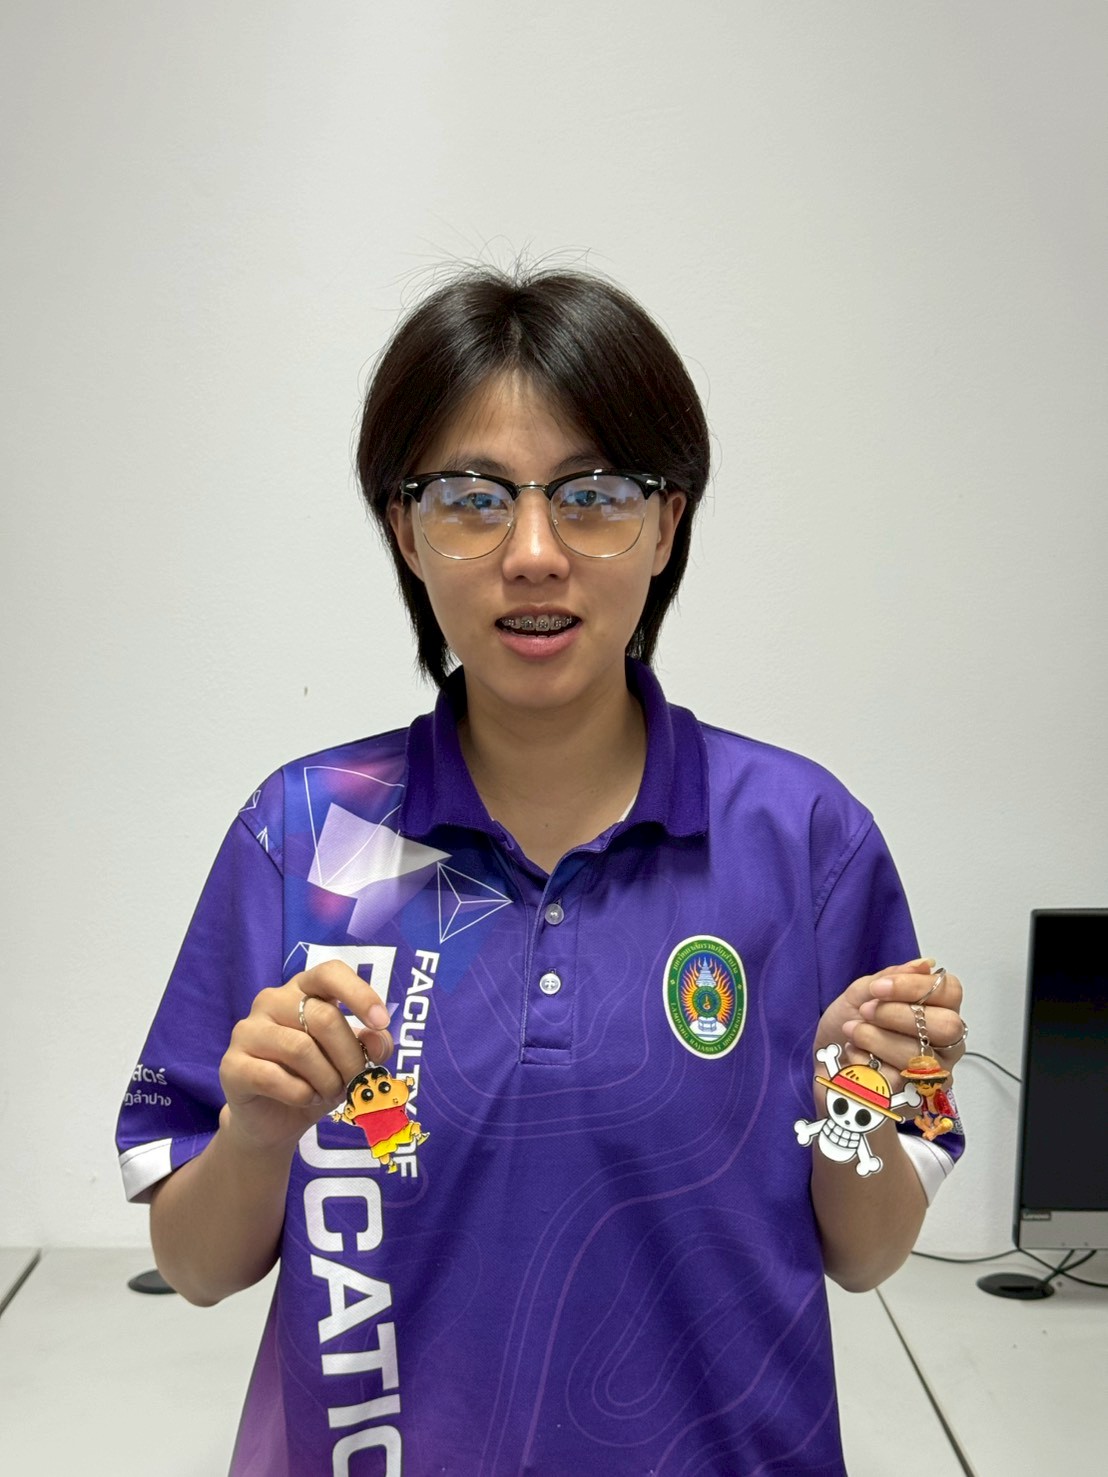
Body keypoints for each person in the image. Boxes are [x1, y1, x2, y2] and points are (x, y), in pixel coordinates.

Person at [116, 266, 967, 1476]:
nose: (531, 553)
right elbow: (198, 1268)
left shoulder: (806, 839)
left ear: (665, 523)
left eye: (592, 495)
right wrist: (254, 1134)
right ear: (405, 529)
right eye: (471, 499)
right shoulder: (304, 833)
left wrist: (859, 1097)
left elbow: (867, 1254)